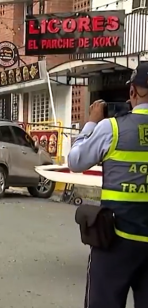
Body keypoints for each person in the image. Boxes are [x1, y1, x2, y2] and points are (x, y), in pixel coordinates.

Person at [68, 62, 148, 308]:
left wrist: (91, 123)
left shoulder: (111, 128)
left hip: (116, 239)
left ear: (133, 92)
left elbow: (75, 161)